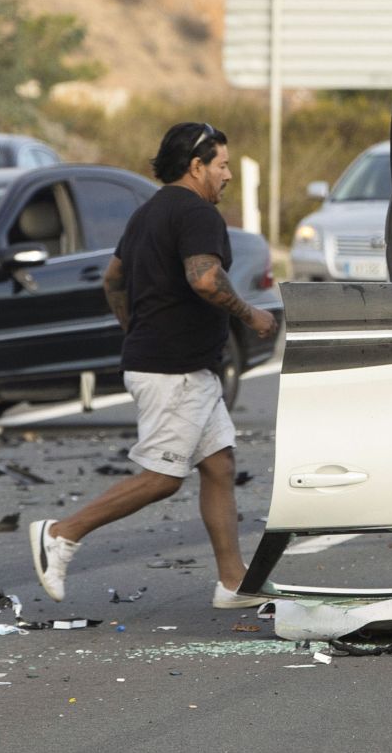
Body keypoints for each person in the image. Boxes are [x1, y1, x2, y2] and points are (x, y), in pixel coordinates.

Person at [28, 122, 279, 608]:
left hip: (177, 366)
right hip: (175, 371)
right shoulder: (197, 213)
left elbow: (113, 278)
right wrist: (252, 315)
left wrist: (134, 328)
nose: (227, 175)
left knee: (220, 465)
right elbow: (205, 279)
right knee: (163, 477)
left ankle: (233, 582)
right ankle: (61, 533)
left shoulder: (148, 212)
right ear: (197, 166)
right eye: (223, 165)